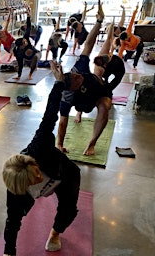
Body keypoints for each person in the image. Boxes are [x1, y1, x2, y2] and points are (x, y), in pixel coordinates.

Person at [1, 60, 81, 256]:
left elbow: (50, 114)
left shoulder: (40, 145)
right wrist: (8, 252)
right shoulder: (16, 193)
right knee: (14, 218)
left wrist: (60, 83)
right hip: (30, 190)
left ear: (32, 164)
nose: (38, 179)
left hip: (63, 175)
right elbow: (12, 223)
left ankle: (55, 233)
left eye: (36, 174)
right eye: (32, 182)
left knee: (69, 209)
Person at [56, 0, 112, 156]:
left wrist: (99, 22)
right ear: (73, 87)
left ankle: (92, 143)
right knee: (80, 107)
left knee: (104, 105)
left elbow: (88, 43)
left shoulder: (78, 68)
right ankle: (80, 111)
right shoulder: (67, 97)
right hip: (82, 101)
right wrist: (59, 144)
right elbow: (62, 122)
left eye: (77, 76)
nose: (78, 77)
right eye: (77, 79)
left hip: (100, 91)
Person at [12, 6, 41, 80]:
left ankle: (30, 74)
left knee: (32, 55)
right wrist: (19, 76)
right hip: (26, 57)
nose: (26, 41)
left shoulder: (26, 37)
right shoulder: (18, 51)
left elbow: (28, 27)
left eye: (25, 40)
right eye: (24, 42)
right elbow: (20, 64)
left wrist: (28, 16)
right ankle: (31, 65)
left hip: (36, 53)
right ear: (21, 46)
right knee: (21, 61)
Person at [118, 4, 143, 70]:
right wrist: (118, 62)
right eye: (126, 39)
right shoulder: (123, 43)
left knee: (139, 52)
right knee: (128, 56)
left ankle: (135, 65)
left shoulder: (128, 31)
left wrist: (136, 10)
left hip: (138, 42)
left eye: (128, 36)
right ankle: (125, 59)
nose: (128, 37)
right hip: (130, 48)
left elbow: (132, 21)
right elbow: (120, 52)